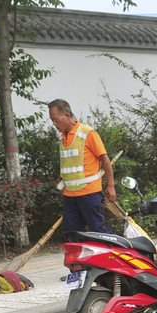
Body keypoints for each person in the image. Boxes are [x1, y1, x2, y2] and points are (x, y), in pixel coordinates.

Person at [48, 99, 116, 235]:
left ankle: (109, 254)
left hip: (89, 193)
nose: (54, 124)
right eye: (52, 120)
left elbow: (105, 160)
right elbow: (70, 162)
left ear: (67, 115)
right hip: (69, 194)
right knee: (72, 234)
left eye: (56, 119)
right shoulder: (62, 138)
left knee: (98, 232)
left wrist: (110, 186)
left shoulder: (87, 133)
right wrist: (63, 177)